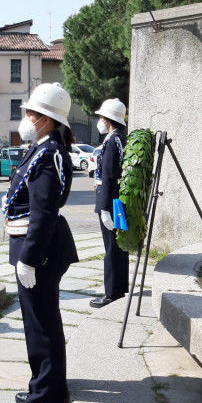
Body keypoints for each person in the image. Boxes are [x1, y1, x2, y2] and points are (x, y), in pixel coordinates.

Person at [3, 83, 78, 403]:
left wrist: (29, 258)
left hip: (39, 251)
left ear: (48, 119)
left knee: (42, 323)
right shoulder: (42, 149)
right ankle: (42, 384)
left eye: (32, 113)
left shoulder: (49, 155)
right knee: (36, 322)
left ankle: (47, 397)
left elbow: (44, 213)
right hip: (32, 245)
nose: (27, 118)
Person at [90, 98, 129, 308]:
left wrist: (104, 208)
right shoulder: (120, 138)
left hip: (110, 200)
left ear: (108, 119)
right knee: (119, 246)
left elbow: (109, 176)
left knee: (112, 247)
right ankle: (120, 286)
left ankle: (111, 293)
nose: (100, 121)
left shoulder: (112, 141)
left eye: (101, 117)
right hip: (116, 199)